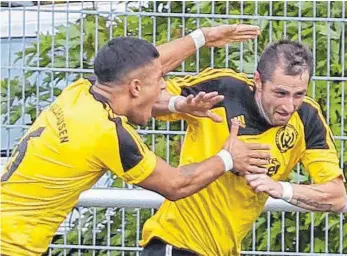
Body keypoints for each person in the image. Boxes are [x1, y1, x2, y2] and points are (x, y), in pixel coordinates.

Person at [0, 25, 268, 256]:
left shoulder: (80, 92)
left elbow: (142, 68)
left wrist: (201, 38)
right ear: (136, 88)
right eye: (160, 83)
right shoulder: (106, 134)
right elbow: (176, 184)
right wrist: (228, 157)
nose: (164, 87)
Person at [141, 38, 347, 255]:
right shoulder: (223, 90)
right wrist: (179, 103)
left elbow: (337, 196)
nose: (289, 106)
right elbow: (142, 95)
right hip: (176, 242)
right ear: (258, 81)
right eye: (280, 93)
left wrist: (282, 189)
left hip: (224, 250)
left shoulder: (307, 119)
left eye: (299, 95)